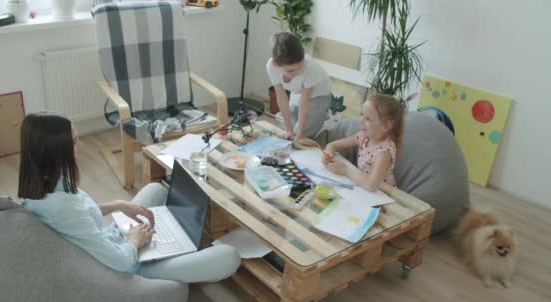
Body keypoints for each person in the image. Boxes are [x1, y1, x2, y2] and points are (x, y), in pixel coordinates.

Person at [18, 112, 240, 283]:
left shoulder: (45, 183)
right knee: (229, 256)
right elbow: (121, 263)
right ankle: (172, 246)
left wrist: (117, 205)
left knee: (155, 190)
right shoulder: (62, 207)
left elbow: (79, 215)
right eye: (75, 141)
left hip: (110, 241)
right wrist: (135, 241)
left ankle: (173, 240)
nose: (81, 146)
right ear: (56, 150)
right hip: (125, 267)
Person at [322, 94, 413, 192]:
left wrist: (345, 170)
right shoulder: (363, 137)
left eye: (368, 119)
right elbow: (333, 145)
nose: (361, 121)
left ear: (386, 125)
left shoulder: (384, 152)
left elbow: (371, 185)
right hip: (362, 187)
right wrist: (329, 154)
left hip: (382, 195)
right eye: (361, 114)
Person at [266, 32, 332, 146]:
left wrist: (301, 134)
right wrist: (288, 129)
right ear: (276, 65)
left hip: (319, 95)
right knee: (289, 132)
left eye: (300, 67)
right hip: (298, 92)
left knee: (299, 137)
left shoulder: (311, 67)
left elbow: (305, 102)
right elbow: (281, 96)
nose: (297, 73)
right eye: (291, 71)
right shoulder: (271, 67)